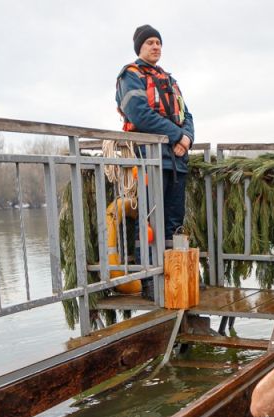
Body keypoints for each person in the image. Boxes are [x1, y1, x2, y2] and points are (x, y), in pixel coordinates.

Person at [115, 24, 195, 251]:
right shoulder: (130, 75)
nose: (155, 46)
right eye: (150, 42)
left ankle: (173, 278)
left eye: (158, 43)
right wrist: (178, 136)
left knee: (174, 222)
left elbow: (186, 114)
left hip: (176, 161)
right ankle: (150, 282)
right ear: (139, 47)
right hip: (149, 158)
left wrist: (187, 138)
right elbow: (139, 115)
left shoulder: (169, 80)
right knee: (150, 221)